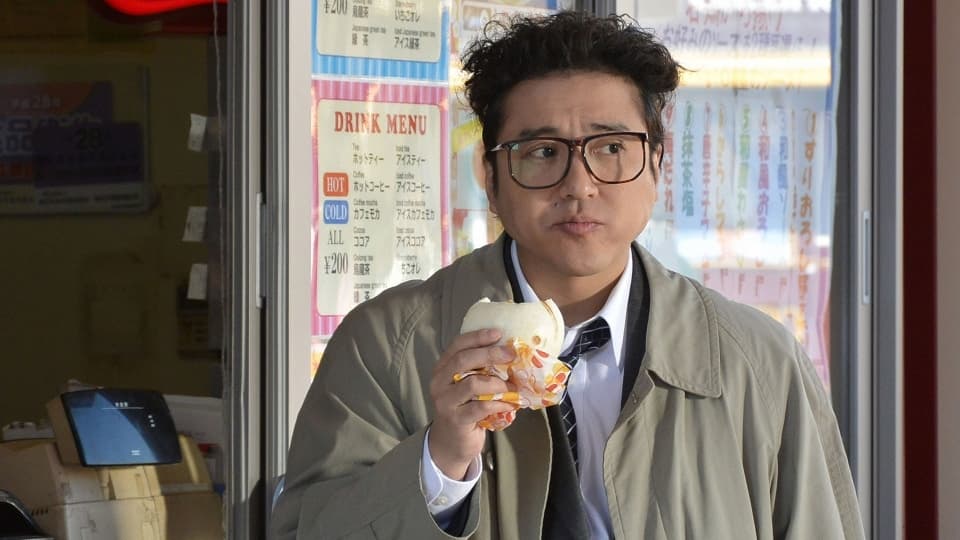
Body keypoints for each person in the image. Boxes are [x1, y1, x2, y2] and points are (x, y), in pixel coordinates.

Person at [271, 11, 864, 540]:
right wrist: (439, 463)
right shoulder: (384, 347)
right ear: (490, 178)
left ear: (657, 166)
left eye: (611, 149)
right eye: (543, 152)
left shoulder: (759, 362)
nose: (579, 185)